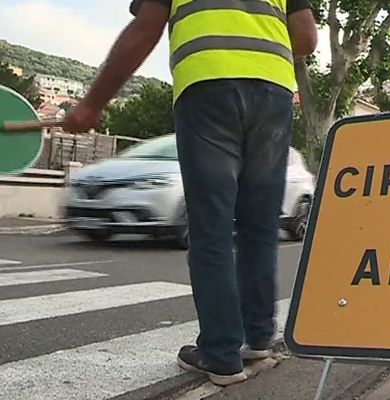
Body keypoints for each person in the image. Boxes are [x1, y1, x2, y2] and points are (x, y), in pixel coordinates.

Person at [63, 0, 317, 387]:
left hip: (207, 86)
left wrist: (93, 104)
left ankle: (220, 354)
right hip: (272, 92)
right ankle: (258, 339)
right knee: (260, 226)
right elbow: (306, 37)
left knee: (211, 226)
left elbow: (145, 29)